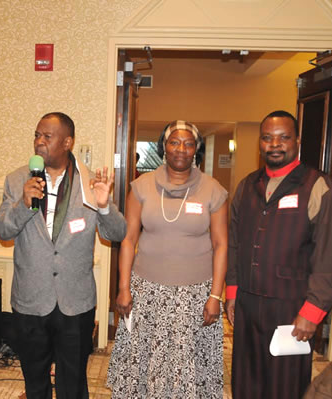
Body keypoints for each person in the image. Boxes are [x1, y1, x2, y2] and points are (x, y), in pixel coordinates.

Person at [0, 112, 126, 399]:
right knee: (35, 379)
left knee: (73, 381)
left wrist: (104, 207)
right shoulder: (17, 180)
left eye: (47, 136)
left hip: (75, 301)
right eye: (36, 135)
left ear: (67, 142)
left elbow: (116, 233)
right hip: (31, 299)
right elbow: (2, 231)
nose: (39, 142)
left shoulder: (90, 182)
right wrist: (23, 205)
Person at [225, 110, 332, 399]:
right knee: (245, 380)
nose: (274, 144)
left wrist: (313, 312)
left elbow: (330, 257)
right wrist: (232, 292)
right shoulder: (247, 186)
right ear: (260, 143)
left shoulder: (317, 186)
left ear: (297, 141)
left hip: (291, 308)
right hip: (248, 302)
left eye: (283, 137)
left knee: (285, 387)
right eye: (267, 138)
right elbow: (234, 244)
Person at [107, 120, 228, 398]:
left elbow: (221, 245)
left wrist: (215, 296)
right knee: (144, 360)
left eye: (188, 143)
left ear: (196, 149)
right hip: (147, 291)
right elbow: (128, 239)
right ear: (164, 146)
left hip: (195, 294)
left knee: (186, 366)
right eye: (174, 142)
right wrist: (124, 288)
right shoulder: (141, 187)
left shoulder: (213, 190)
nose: (181, 149)